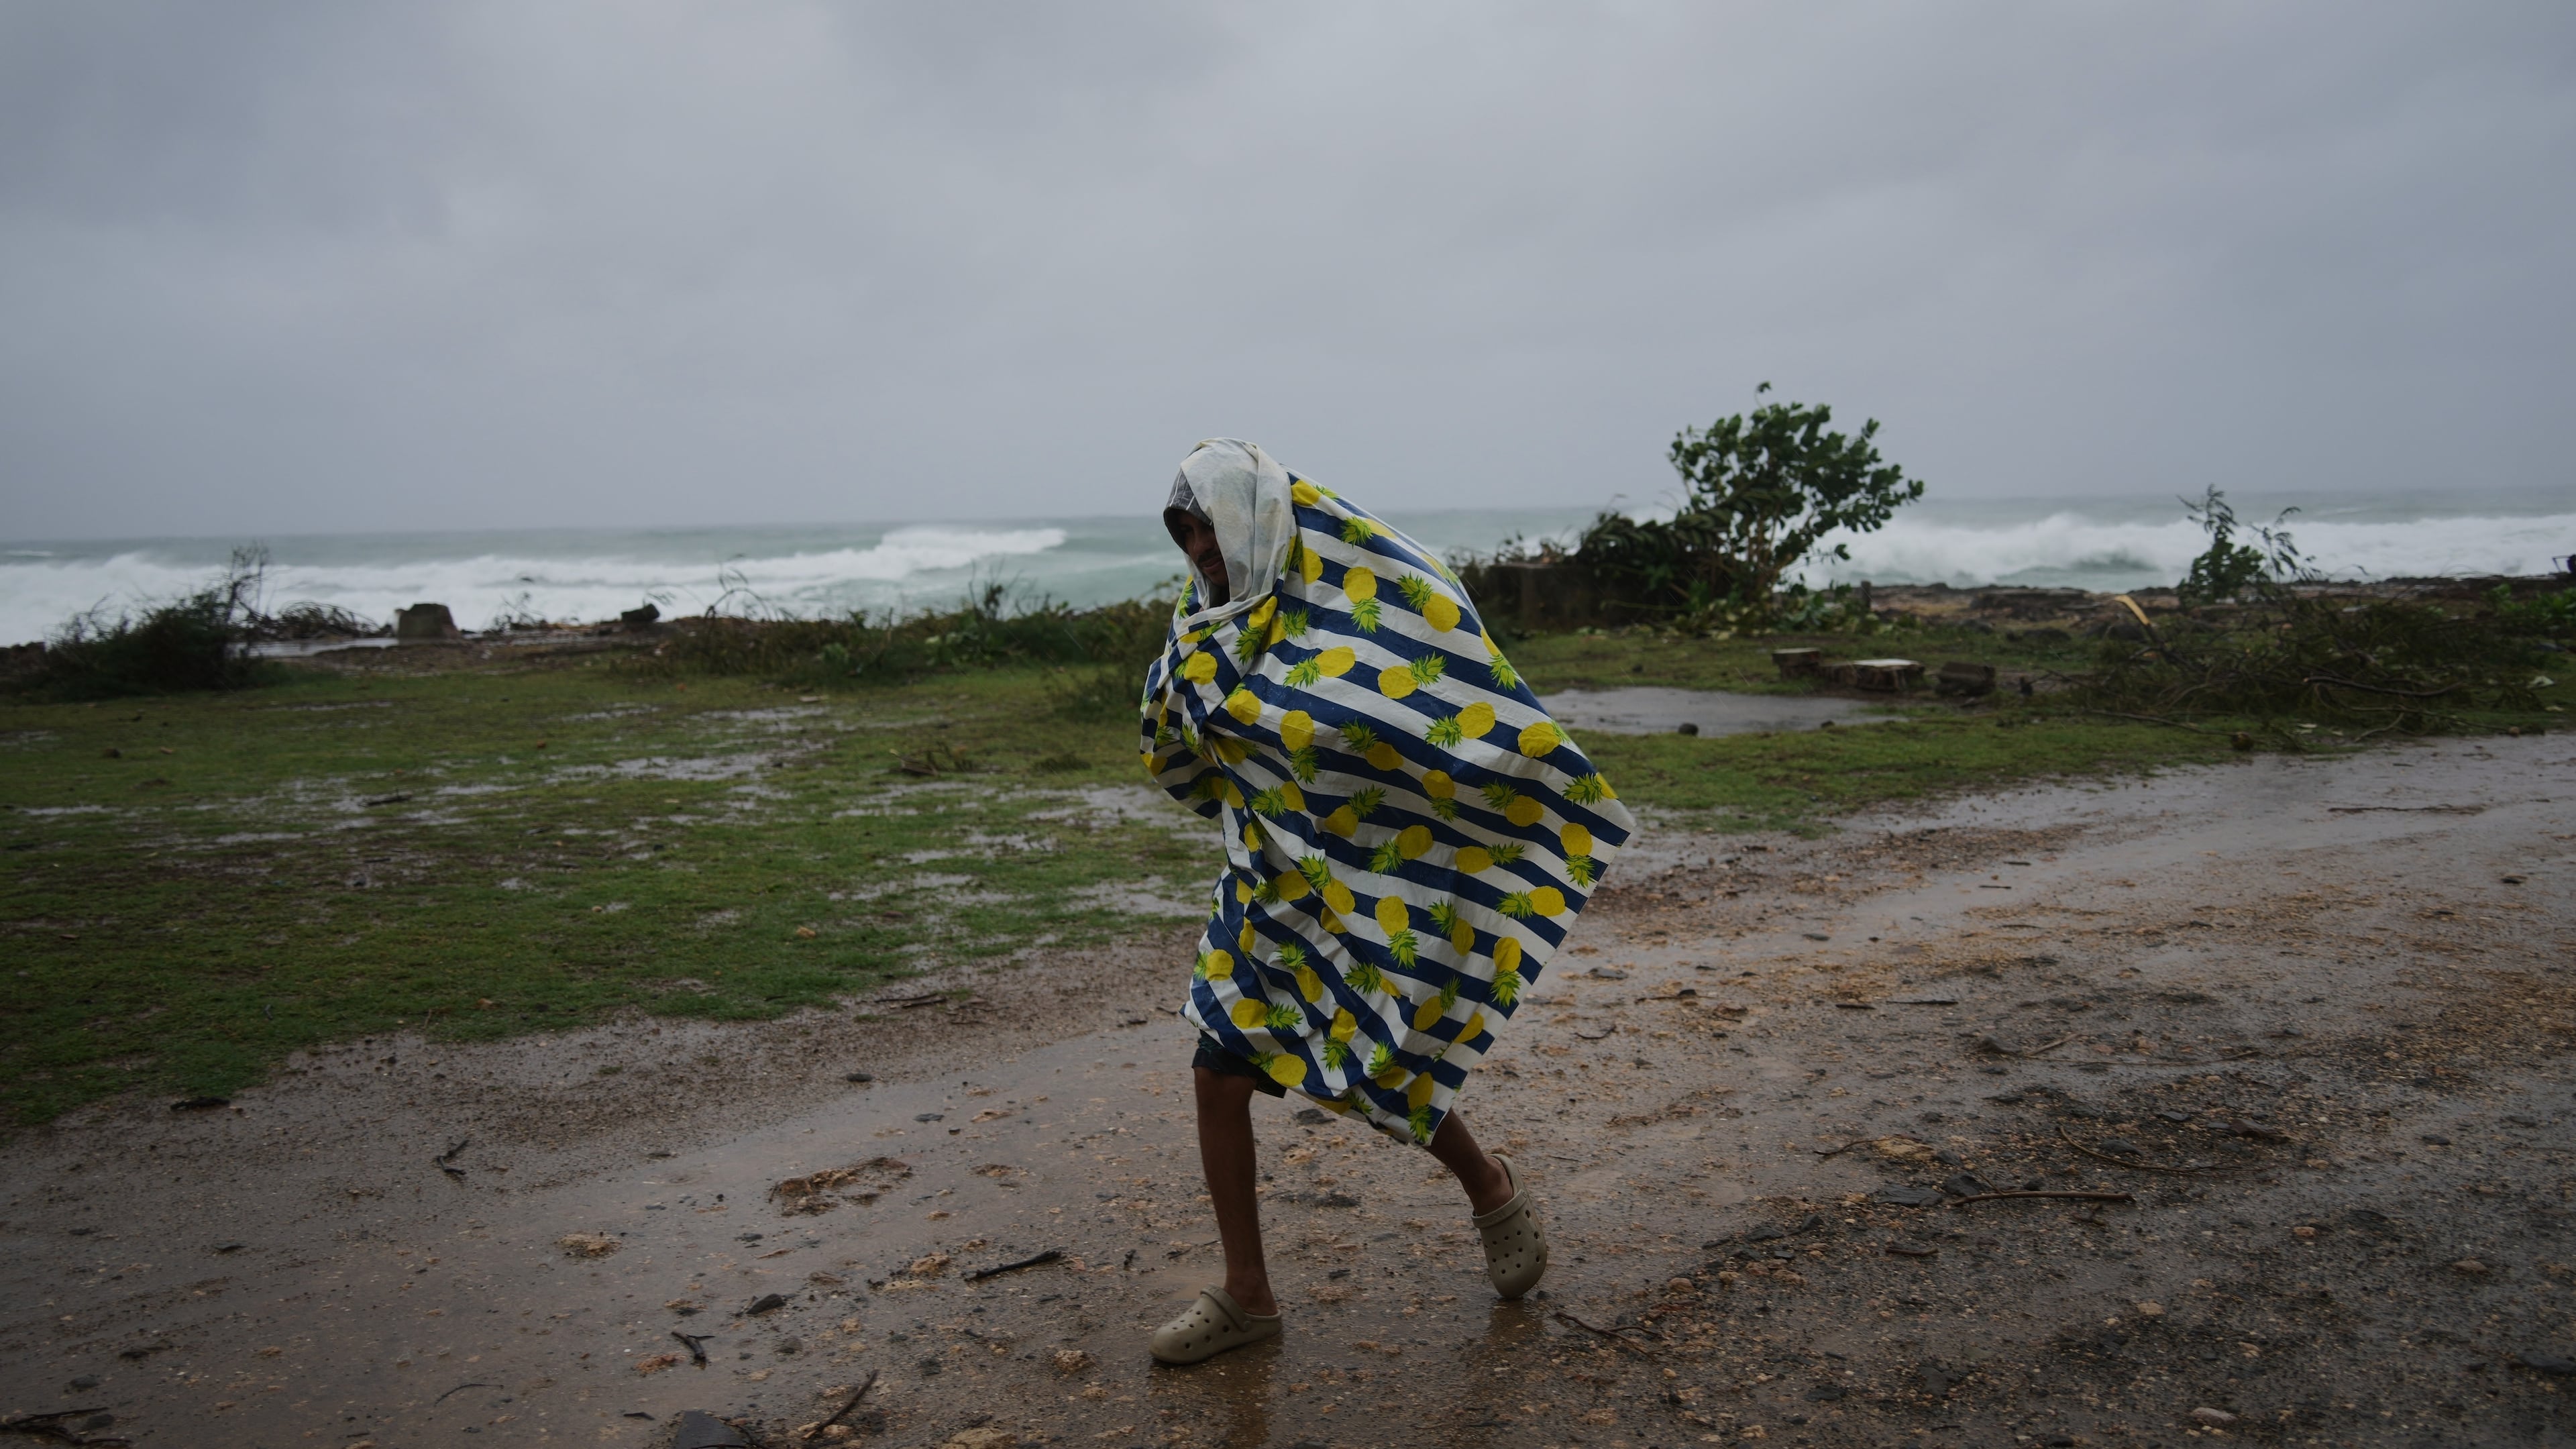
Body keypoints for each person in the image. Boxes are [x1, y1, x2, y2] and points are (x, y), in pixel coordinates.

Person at [1138, 439, 1635, 1364]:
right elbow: (1181, 737)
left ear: (1253, 517)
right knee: (1218, 1070)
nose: (1201, 547)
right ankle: (1249, 1296)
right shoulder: (1205, 624)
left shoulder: (1355, 608)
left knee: (1378, 1054)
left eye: (1210, 525)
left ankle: (1491, 1188)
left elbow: (1424, 700)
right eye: (1186, 532)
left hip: (1360, 879)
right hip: (1263, 883)